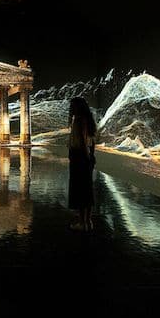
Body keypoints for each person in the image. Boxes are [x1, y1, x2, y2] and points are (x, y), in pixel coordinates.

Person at [67, 96, 97, 232]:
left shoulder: (79, 120)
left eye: (72, 106)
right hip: (84, 157)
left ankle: (82, 223)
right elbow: (92, 141)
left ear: (77, 108)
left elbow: (83, 141)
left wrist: (86, 157)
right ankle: (88, 221)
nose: (70, 109)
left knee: (79, 189)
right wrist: (91, 156)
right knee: (87, 188)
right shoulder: (88, 120)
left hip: (79, 158)